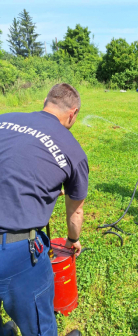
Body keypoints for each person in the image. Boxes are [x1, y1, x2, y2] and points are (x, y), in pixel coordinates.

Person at [0, 83, 89, 336]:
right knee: (40, 328)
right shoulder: (73, 150)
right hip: (14, 252)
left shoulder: (4, 120)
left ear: (45, 101)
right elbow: (76, 212)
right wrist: (73, 240)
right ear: (72, 113)